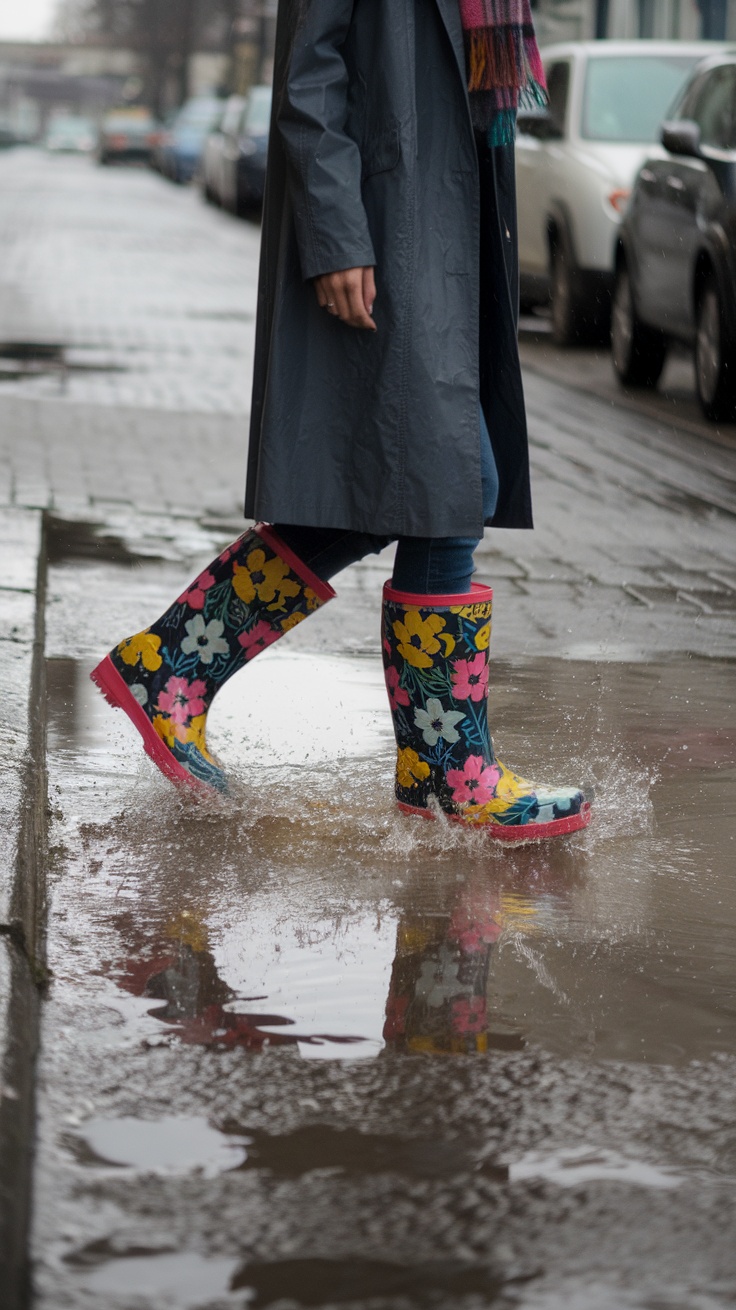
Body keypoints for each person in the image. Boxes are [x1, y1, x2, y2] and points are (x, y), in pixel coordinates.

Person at [91, 0, 591, 843]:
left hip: (451, 218)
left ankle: (171, 666)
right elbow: (308, 79)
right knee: (452, 480)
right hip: (386, 226)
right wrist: (335, 236)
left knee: (421, 482)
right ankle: (446, 773)